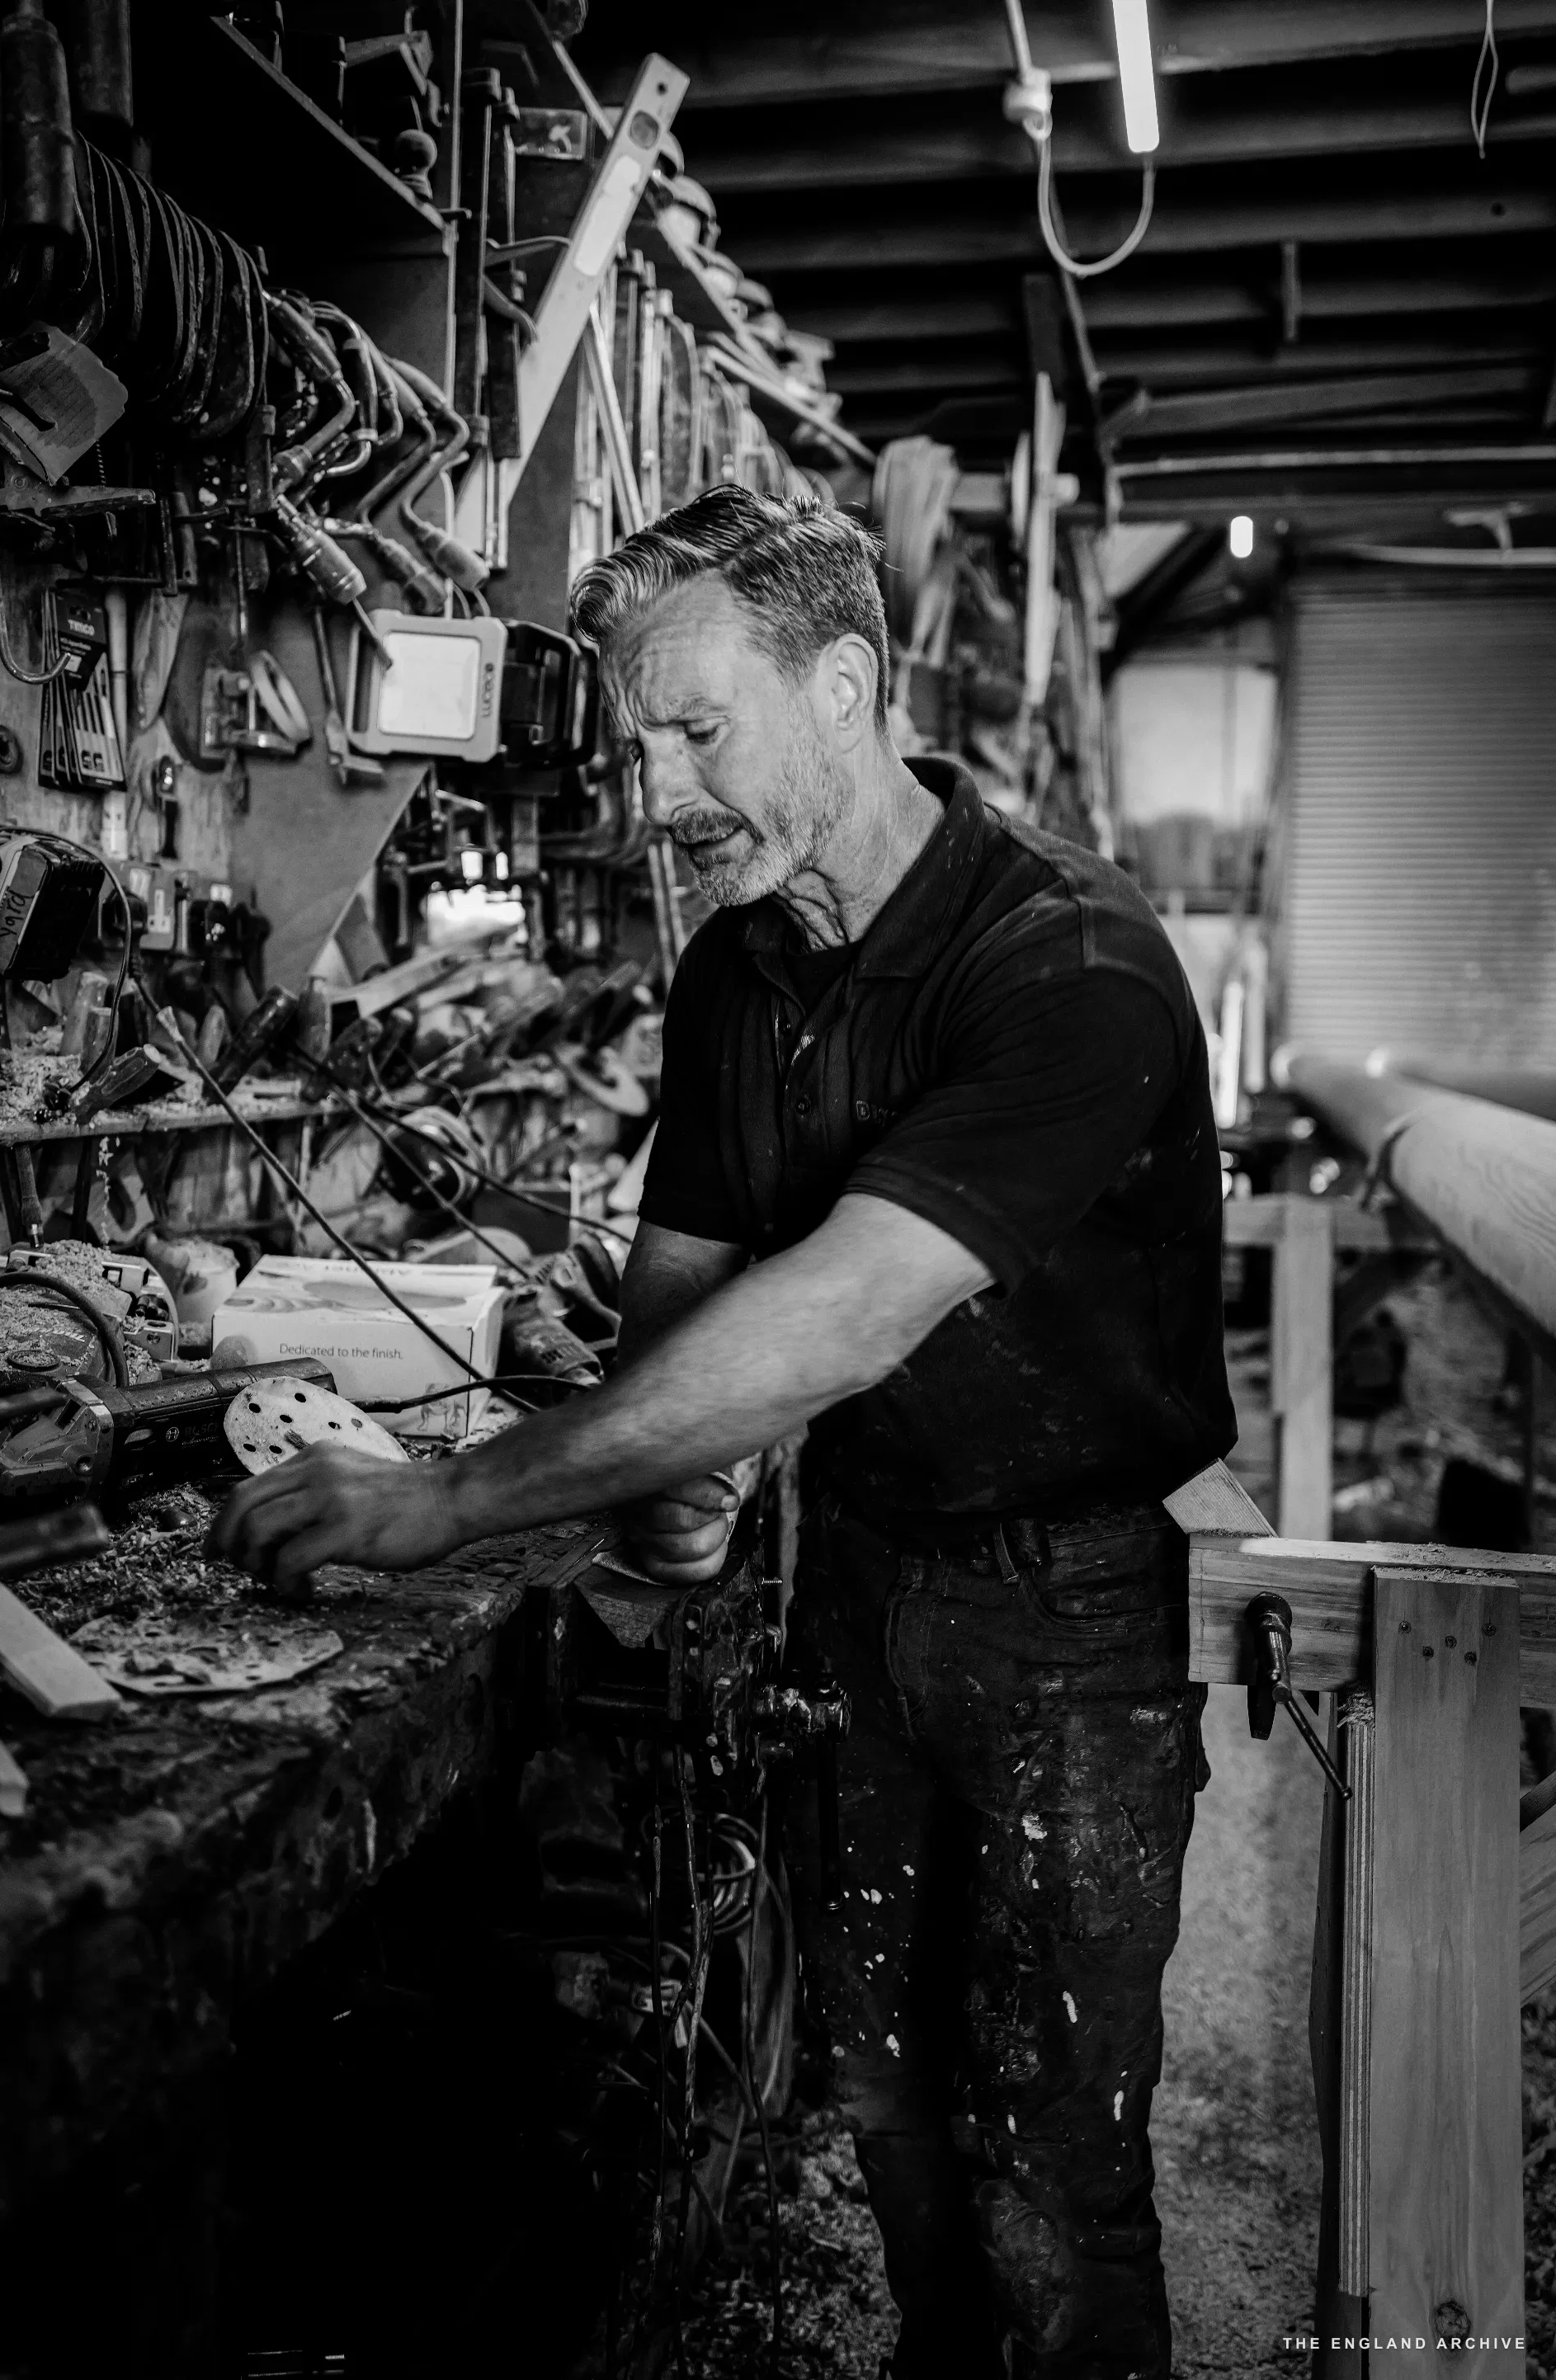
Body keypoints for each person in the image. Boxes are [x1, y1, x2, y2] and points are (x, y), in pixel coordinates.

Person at [210, 484, 1235, 2378]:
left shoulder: (1064, 966)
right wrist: (676, 1477)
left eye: (699, 729)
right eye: (638, 738)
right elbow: (692, 1287)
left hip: (1062, 1620)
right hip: (857, 1573)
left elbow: (844, 1301)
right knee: (890, 2095)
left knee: (1051, 2148)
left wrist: (452, 1497)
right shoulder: (739, 968)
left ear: (842, 683)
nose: (661, 787)